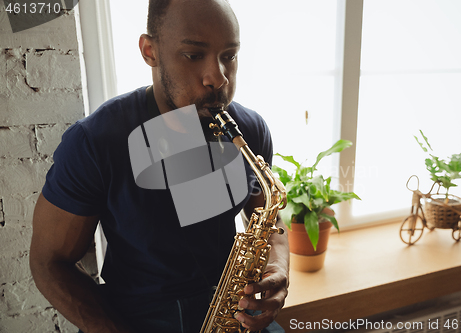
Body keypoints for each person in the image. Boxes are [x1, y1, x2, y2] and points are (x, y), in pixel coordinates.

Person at [29, 0, 289, 332]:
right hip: (135, 317)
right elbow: (48, 262)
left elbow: (270, 217)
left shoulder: (249, 129)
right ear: (150, 51)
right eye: (194, 56)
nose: (218, 78)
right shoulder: (95, 141)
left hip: (232, 311)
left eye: (229, 56)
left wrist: (278, 272)